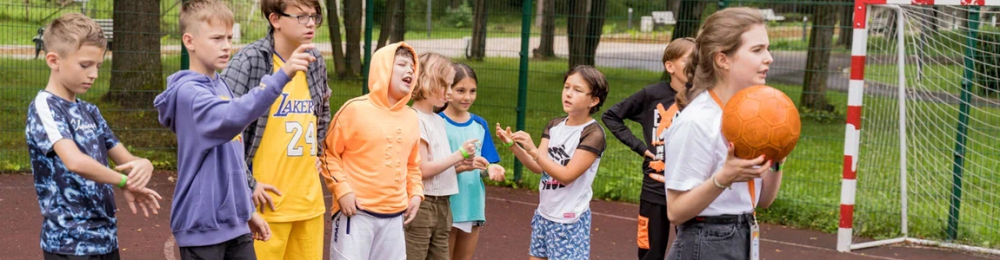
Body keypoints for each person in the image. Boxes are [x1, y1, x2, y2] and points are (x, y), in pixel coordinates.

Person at [154, 0, 317, 258]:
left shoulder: (220, 85)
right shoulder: (189, 94)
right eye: (217, 38)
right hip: (202, 227)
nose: (226, 45)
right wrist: (282, 74)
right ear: (189, 41)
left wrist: (247, 211)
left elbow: (233, 160)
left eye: (229, 37)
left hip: (235, 224)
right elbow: (234, 115)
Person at [26, 13, 161, 260]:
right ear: (53, 60)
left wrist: (144, 165)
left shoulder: (90, 111)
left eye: (98, 66)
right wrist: (123, 181)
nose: (94, 74)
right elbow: (74, 161)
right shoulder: (44, 106)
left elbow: (126, 161)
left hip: (105, 240)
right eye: (85, 65)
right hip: (68, 243)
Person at [662, 7, 784, 260]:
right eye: (757, 49)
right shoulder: (696, 121)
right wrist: (724, 177)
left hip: (744, 233)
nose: (769, 57)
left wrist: (778, 157)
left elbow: (763, 201)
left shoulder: (754, 116)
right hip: (706, 241)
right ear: (723, 59)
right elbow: (675, 211)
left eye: (767, 48)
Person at [220, 0, 331, 258]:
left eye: (314, 16)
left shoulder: (315, 61)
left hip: (309, 204)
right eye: (301, 16)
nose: (311, 23)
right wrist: (248, 184)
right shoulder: (249, 61)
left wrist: (317, 151)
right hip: (265, 206)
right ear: (275, 20)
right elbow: (223, 126)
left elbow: (322, 111)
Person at [319, 43, 424, 260]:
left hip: (395, 216)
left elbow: (413, 164)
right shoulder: (354, 109)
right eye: (402, 64)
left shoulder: (412, 117)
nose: (410, 71)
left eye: (413, 67)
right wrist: (343, 191)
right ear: (383, 68)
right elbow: (329, 153)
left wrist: (415, 193)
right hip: (356, 213)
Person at [497, 65, 610, 260]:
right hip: (544, 215)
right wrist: (514, 146)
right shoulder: (554, 125)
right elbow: (538, 166)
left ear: (593, 100)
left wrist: (533, 150)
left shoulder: (593, 134)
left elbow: (567, 175)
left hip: (570, 220)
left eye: (577, 90)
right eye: (566, 87)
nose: (568, 94)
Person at [601, 37, 694, 260]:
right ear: (669, 66)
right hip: (655, 187)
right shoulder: (652, 95)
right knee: (649, 252)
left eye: (698, 59)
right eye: (688, 59)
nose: (694, 64)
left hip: (691, 188)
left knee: (693, 252)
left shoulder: (703, 98)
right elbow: (611, 115)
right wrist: (641, 147)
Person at [404, 53, 483, 260]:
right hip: (423, 204)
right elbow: (422, 170)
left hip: (443, 205)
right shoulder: (415, 119)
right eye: (445, 86)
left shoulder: (437, 120)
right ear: (428, 82)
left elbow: (440, 166)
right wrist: (459, 155)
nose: (449, 93)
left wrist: (462, 164)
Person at [440, 63, 505, 260]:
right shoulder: (436, 122)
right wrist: (460, 166)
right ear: (446, 90)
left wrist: (492, 170)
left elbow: (484, 165)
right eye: (460, 90)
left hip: (472, 204)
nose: (467, 97)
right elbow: (432, 168)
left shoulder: (480, 124)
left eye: (472, 91)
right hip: (447, 205)